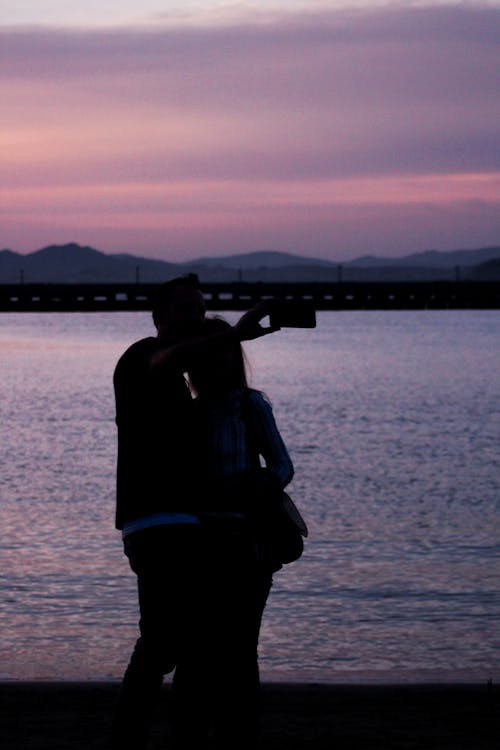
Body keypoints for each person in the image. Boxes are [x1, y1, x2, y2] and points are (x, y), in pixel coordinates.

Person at [111, 274, 278, 749]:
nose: (195, 317)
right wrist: (232, 334)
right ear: (159, 318)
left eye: (200, 308)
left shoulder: (188, 392)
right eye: (185, 309)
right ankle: (129, 737)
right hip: (154, 524)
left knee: (189, 644)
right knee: (163, 642)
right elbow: (167, 360)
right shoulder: (139, 358)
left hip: (190, 526)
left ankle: (180, 734)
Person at [185, 315, 294, 748]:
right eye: (210, 351)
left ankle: (237, 733)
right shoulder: (186, 411)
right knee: (201, 646)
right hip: (198, 543)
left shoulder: (251, 405)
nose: (219, 359)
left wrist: (255, 484)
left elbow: (283, 466)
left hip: (248, 542)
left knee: (241, 645)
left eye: (226, 350)